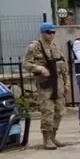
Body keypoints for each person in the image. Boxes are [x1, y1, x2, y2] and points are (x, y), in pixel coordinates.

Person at [23, 22, 69, 150]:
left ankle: (53, 136)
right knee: (48, 111)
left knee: (59, 111)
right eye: (49, 32)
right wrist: (40, 68)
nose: (52, 35)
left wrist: (66, 83)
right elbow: (26, 64)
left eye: (53, 32)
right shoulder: (35, 46)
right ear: (43, 33)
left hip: (58, 83)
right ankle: (47, 138)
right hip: (45, 84)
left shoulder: (55, 46)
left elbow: (64, 66)